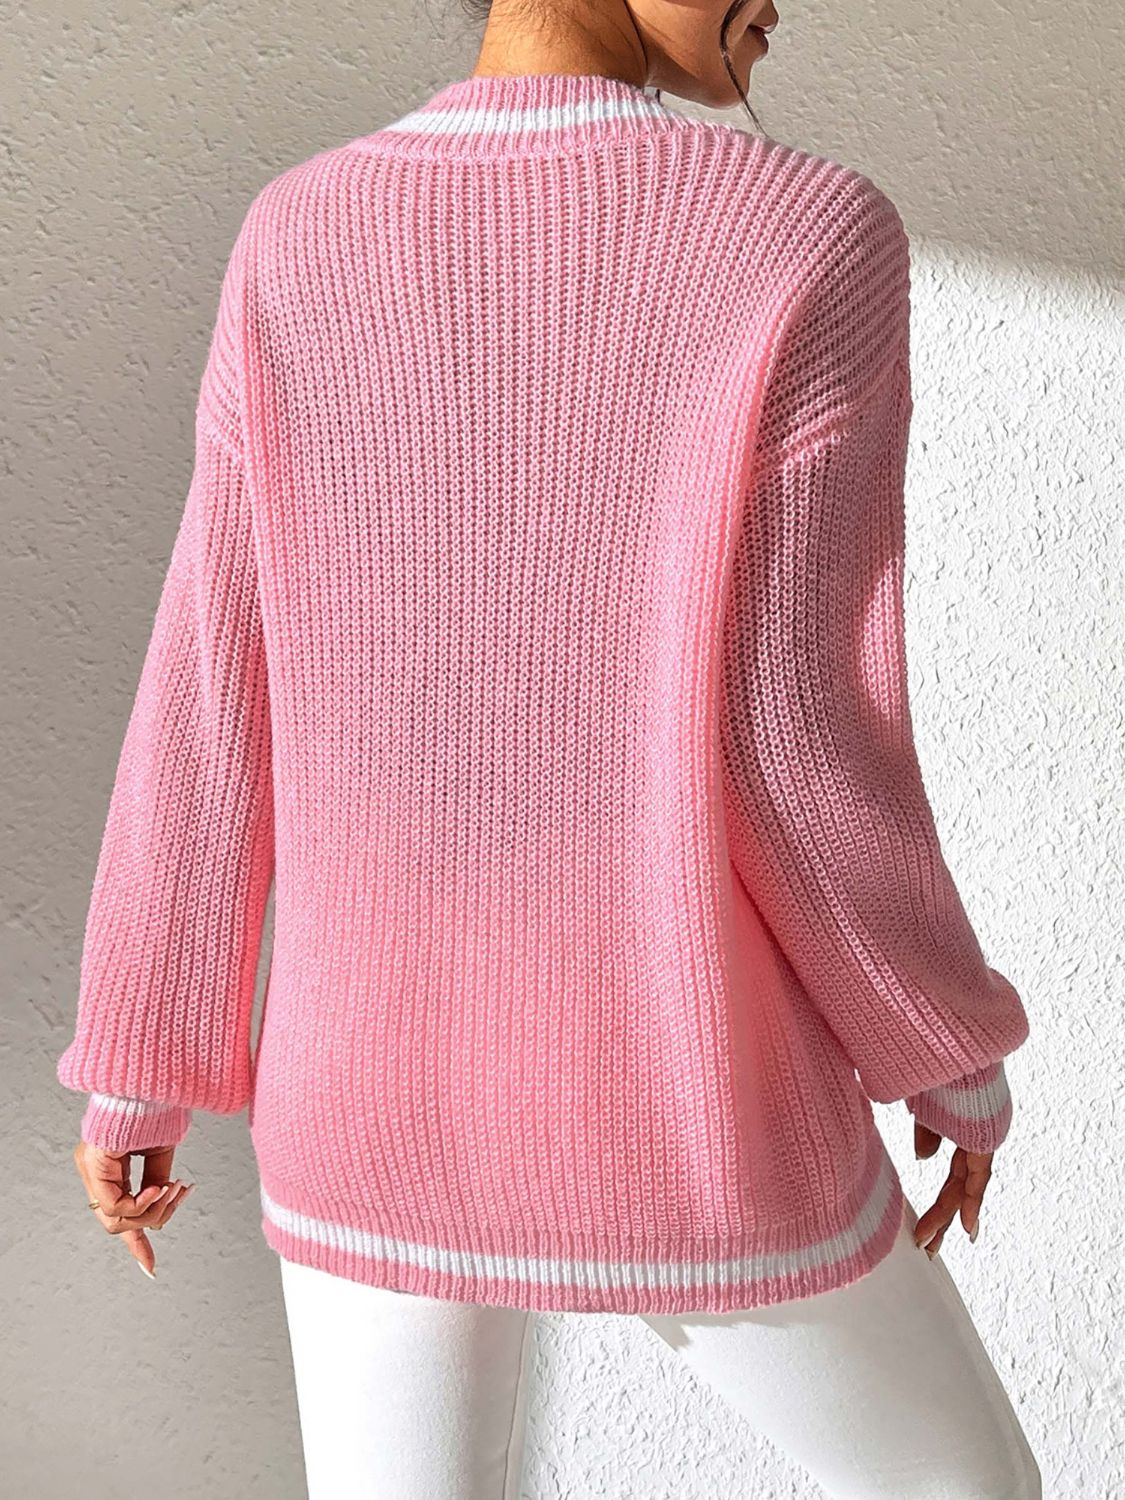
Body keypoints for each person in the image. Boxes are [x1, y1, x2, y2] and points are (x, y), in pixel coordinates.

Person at [58, 0, 1042, 1494]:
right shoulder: (805, 235)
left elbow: (211, 687)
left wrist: (140, 1067)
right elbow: (796, 743)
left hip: (368, 1103)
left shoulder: (297, 232)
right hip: (681, 1110)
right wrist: (941, 1049)